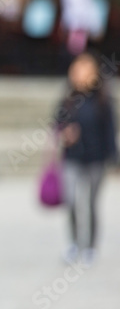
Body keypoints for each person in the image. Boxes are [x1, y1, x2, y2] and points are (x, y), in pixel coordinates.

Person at [55, 51, 116, 265]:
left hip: (96, 158)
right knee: (71, 199)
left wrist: (114, 159)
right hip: (72, 157)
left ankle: (90, 246)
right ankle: (74, 243)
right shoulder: (68, 99)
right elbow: (56, 125)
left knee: (91, 203)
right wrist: (64, 134)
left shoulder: (102, 100)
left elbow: (109, 130)